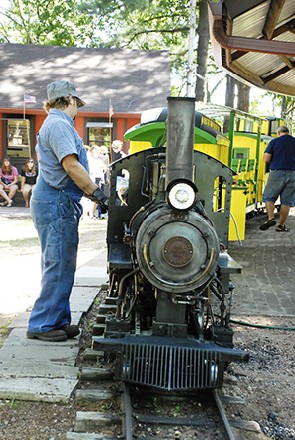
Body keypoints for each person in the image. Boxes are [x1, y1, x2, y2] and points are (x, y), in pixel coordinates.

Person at [27, 79, 107, 343]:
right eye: (77, 104)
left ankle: (58, 318)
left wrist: (91, 192)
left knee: (60, 262)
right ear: (70, 100)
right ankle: (42, 323)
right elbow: (71, 167)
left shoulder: (54, 123)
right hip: (56, 200)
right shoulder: (60, 124)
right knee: (59, 262)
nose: (78, 109)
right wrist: (96, 192)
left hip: (54, 199)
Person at [259, 126, 295, 232]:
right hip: (293, 173)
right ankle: (281, 226)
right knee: (286, 201)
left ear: (279, 133)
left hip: (277, 172)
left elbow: (266, 159)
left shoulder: (274, 142)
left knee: (268, 197)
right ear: (288, 132)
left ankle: (270, 218)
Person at [88, 145, 106, 219]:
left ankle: (94, 214)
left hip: (100, 179)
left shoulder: (98, 160)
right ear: (93, 151)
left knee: (98, 199)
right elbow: (91, 170)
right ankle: (91, 214)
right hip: (94, 179)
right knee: (94, 197)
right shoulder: (89, 160)